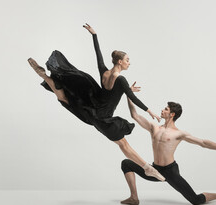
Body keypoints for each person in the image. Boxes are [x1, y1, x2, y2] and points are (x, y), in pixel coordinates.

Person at [27, 23, 165, 181]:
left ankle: (45, 76)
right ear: (119, 62)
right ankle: (147, 168)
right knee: (123, 145)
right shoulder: (121, 80)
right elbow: (132, 98)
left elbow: (97, 55)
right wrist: (150, 111)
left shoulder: (104, 71)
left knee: (65, 98)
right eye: (127, 60)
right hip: (103, 118)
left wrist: (94, 35)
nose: (129, 62)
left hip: (91, 108)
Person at [120, 98, 216, 205]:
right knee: (126, 163)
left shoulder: (179, 134)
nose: (162, 110)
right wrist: (128, 94)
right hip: (154, 170)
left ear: (172, 114)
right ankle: (134, 198)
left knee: (195, 200)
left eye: (166, 109)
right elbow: (135, 115)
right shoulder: (154, 128)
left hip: (170, 171)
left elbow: (203, 143)